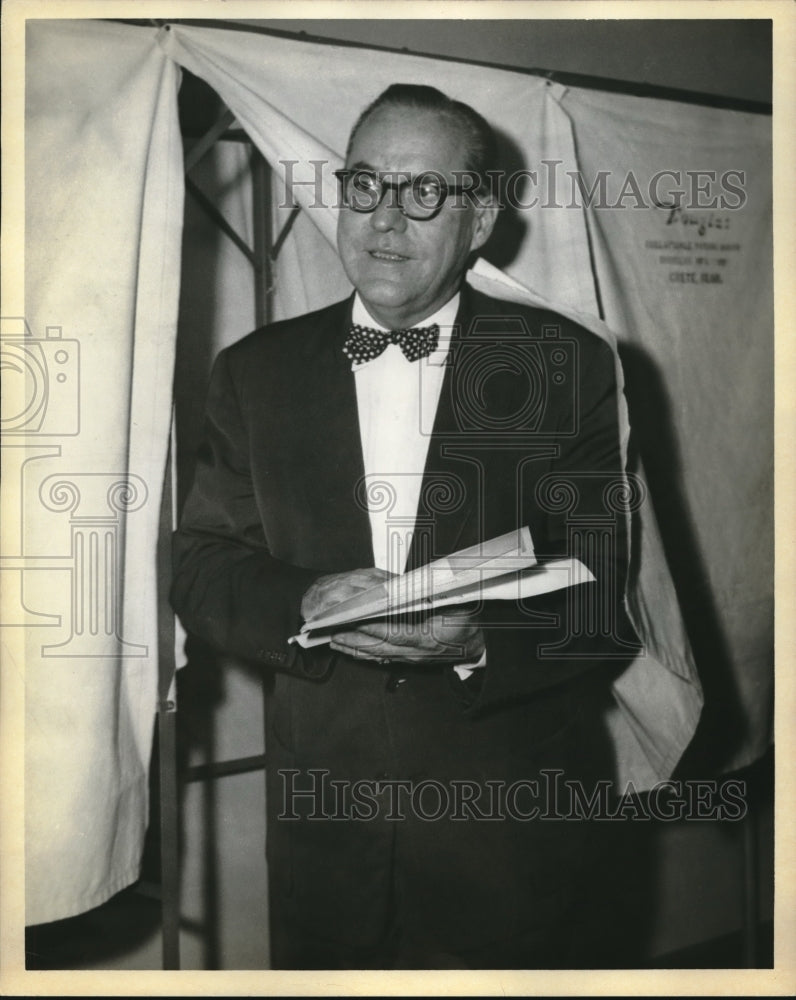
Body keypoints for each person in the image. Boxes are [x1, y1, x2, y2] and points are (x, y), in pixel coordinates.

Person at [171, 84, 636, 969]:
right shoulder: (255, 371)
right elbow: (200, 562)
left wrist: (475, 640)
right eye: (365, 185)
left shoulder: (564, 363)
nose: (385, 220)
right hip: (325, 842)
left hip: (510, 842)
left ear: (482, 219)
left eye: (424, 193)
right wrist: (304, 596)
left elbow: (602, 598)